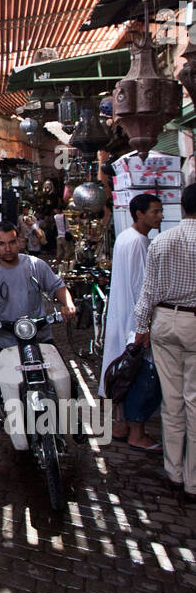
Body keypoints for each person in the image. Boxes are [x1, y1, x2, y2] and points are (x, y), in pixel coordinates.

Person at [0, 219, 77, 451]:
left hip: (38, 337)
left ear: (20, 241)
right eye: (1, 243)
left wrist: (68, 304)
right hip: (2, 339)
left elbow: (58, 286)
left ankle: (74, 425)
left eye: (12, 242)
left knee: (65, 378)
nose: (8, 248)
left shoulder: (36, 265)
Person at [133, 182, 196, 505]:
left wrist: (141, 327)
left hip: (165, 321)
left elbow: (148, 291)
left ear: (181, 207)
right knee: (194, 402)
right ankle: (193, 480)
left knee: (171, 402)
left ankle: (174, 473)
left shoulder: (162, 242)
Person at [99, 193, 163, 451]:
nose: (160, 216)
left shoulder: (127, 237)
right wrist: (143, 326)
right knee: (139, 376)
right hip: (133, 320)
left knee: (122, 372)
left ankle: (119, 424)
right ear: (140, 214)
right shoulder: (138, 242)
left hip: (122, 316)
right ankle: (137, 432)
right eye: (155, 212)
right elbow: (141, 288)